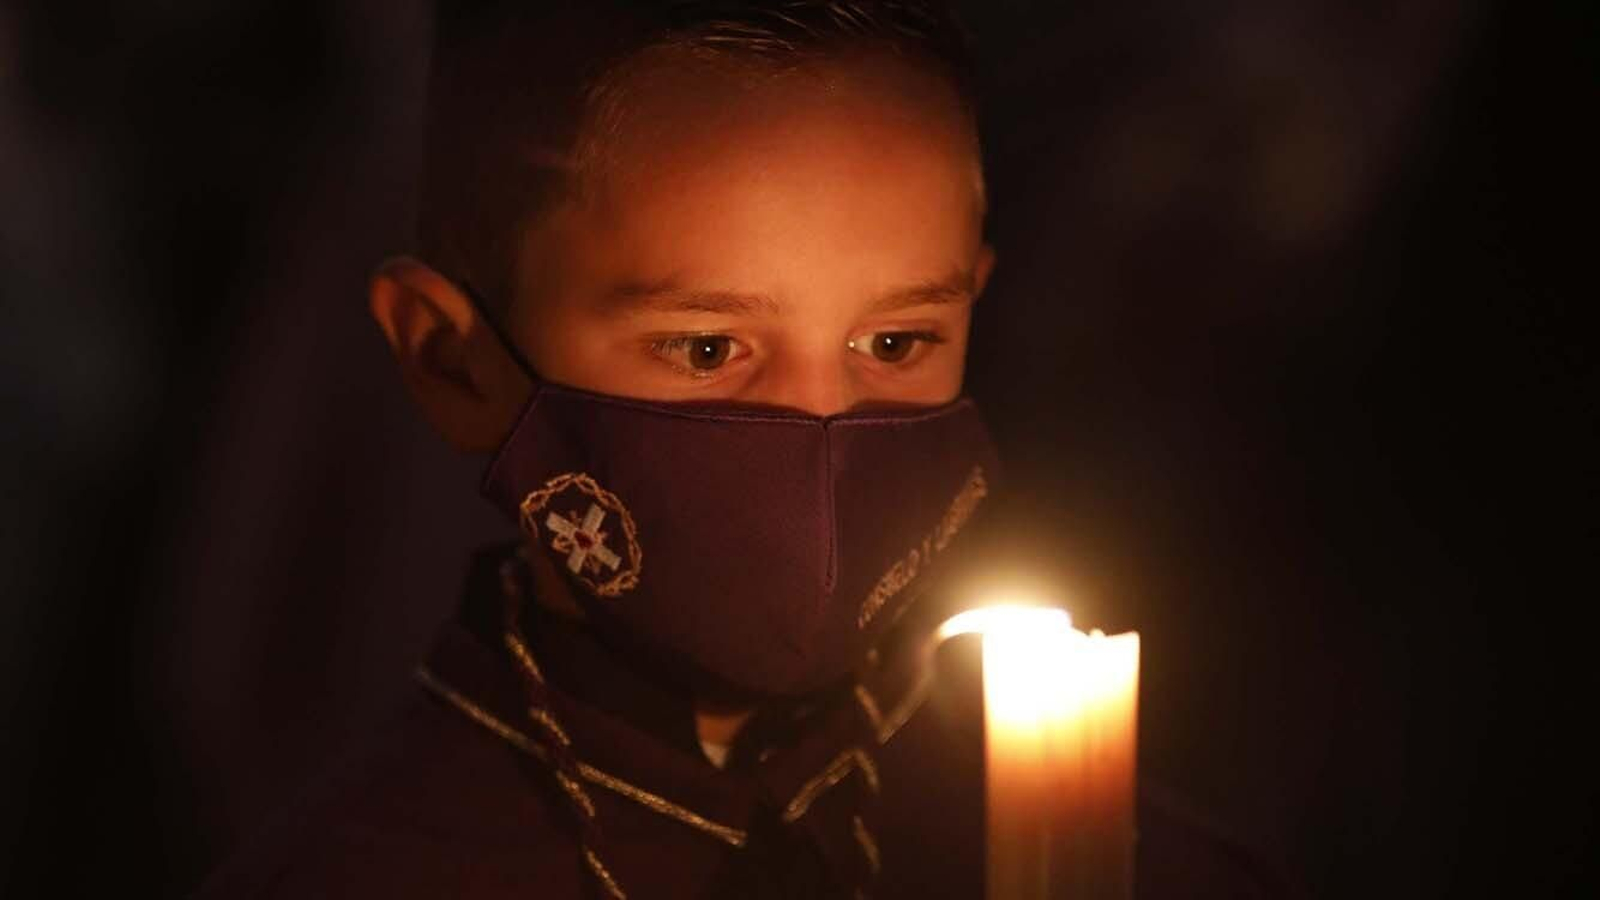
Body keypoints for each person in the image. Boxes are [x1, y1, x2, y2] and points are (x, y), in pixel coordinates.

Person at [197, 2, 1293, 896]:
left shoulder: (1157, 872)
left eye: (896, 340)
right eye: (710, 345)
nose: (820, 428)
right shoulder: (368, 873)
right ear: (455, 360)